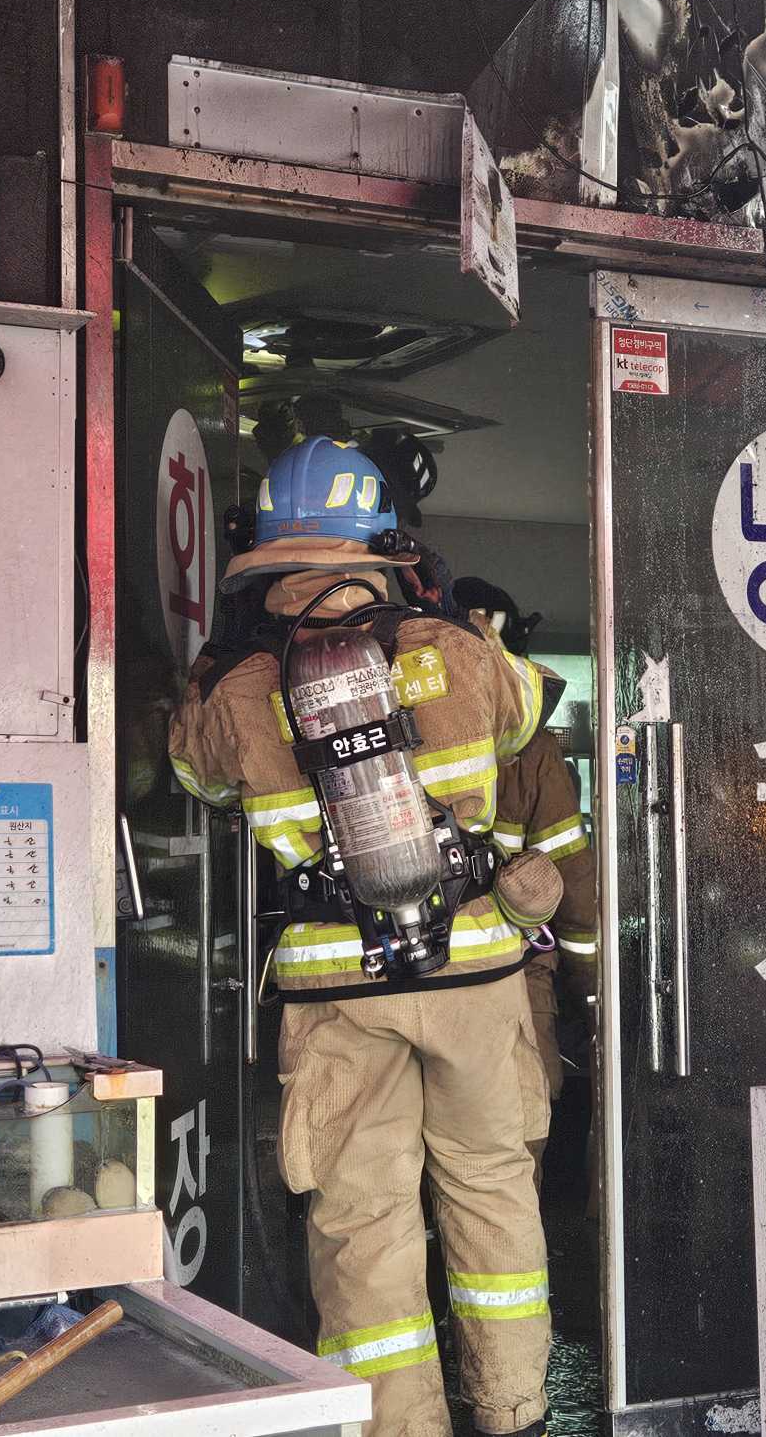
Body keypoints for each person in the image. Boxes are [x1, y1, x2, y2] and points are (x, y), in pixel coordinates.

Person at [168, 437, 554, 1437]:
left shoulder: (238, 679)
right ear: (382, 538)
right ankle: (512, 1410)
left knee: (362, 1219)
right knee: (490, 1188)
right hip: (472, 971)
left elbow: (195, 779)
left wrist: (227, 660)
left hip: (336, 990)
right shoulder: (454, 645)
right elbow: (522, 718)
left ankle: (396, 1426)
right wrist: (443, 616)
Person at [453, 578, 598, 1186]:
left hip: (400, 974)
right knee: (512, 1152)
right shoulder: (533, 751)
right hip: (511, 975)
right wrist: (589, 988)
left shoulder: (400, 727)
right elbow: (573, 883)